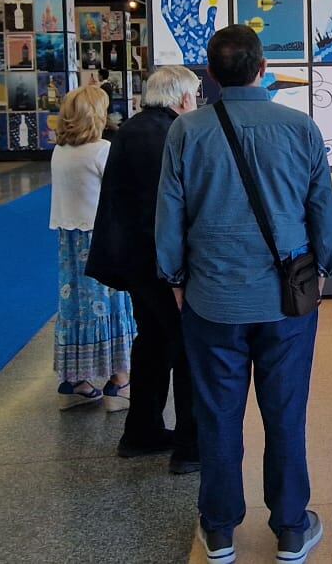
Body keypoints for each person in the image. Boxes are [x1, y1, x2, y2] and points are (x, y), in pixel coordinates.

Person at [157, 24, 332, 564]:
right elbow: (323, 211)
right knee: (285, 412)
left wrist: (175, 280)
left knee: (216, 413)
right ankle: (288, 527)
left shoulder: (186, 132)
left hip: (211, 300)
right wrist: (321, 270)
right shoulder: (300, 128)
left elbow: (170, 218)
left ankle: (219, 530)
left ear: (210, 75)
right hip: (286, 301)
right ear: (264, 69)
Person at [90, 66, 201, 473]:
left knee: (153, 343)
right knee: (189, 347)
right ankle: (192, 445)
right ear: (183, 97)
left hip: (134, 261)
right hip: (161, 264)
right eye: (195, 94)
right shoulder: (170, 134)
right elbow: (172, 208)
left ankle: (141, 431)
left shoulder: (133, 130)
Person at [49, 84, 135, 411]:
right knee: (111, 303)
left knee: (76, 306)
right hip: (104, 239)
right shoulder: (102, 150)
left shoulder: (60, 152)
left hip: (70, 241)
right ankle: (120, 380)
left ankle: (75, 379)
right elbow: (121, 193)